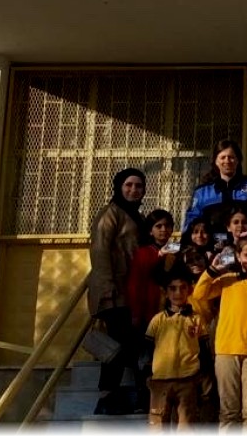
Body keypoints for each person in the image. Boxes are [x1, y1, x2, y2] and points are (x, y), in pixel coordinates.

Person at [192, 236, 247, 429]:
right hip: (226, 351)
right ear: (238, 256)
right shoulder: (226, 281)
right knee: (229, 410)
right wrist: (212, 270)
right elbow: (199, 294)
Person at [87, 168, 148, 415]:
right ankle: (107, 397)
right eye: (128, 185)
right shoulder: (110, 214)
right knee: (118, 345)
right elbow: (100, 251)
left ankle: (123, 397)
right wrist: (107, 287)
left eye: (139, 186)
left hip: (131, 289)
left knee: (126, 343)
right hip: (114, 291)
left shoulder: (137, 216)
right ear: (118, 187)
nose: (134, 190)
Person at [144, 265, 206, 428]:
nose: (178, 293)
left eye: (182, 288)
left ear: (190, 290)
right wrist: (147, 373)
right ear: (165, 291)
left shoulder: (197, 320)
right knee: (158, 423)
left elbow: (204, 349)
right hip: (160, 381)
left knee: (186, 423)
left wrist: (204, 377)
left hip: (188, 380)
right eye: (172, 289)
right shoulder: (157, 320)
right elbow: (147, 350)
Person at [185, 140, 247, 230]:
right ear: (216, 161)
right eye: (222, 157)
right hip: (213, 242)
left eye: (231, 157)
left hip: (245, 242)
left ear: (238, 160)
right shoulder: (202, 192)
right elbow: (192, 220)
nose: (227, 161)